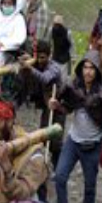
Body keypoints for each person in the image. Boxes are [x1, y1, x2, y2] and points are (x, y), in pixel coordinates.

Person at [50, 50, 102, 203]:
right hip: (73, 141)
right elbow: (66, 107)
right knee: (59, 177)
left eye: (92, 68)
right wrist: (56, 105)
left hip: (93, 145)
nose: (88, 72)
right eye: (85, 67)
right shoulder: (74, 86)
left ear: (97, 71)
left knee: (90, 184)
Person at [17, 40, 65, 175]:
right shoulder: (37, 63)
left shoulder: (54, 68)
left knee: (55, 142)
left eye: (43, 58)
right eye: (38, 57)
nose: (40, 60)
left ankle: (58, 169)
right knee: (43, 137)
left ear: (49, 56)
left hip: (59, 108)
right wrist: (25, 65)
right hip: (46, 107)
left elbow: (45, 78)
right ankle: (44, 166)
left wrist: (30, 68)